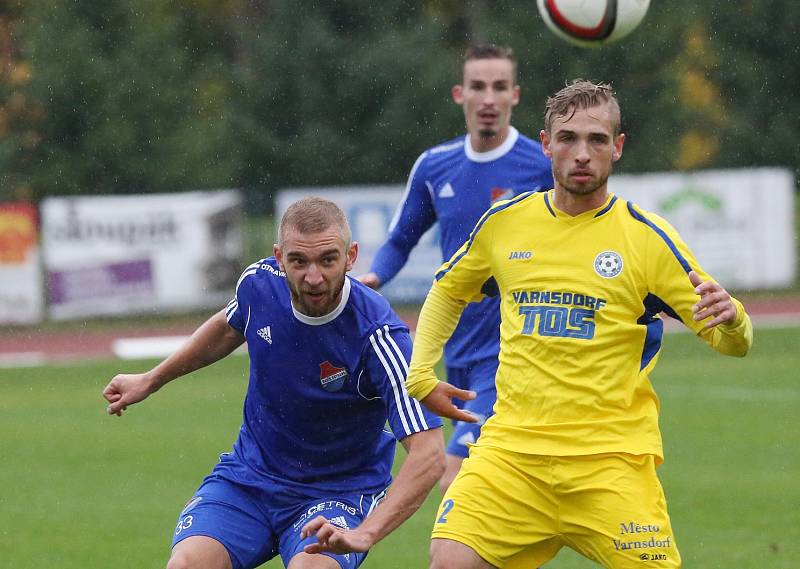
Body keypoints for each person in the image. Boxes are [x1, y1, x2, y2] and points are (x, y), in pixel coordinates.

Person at [404, 80, 753, 569]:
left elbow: (728, 340)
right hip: (511, 458)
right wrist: (420, 374)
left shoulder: (646, 238)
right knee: (449, 563)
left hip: (610, 466)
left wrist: (734, 320)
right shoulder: (506, 223)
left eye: (597, 139)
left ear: (618, 147)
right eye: (567, 139)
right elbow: (448, 288)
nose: (582, 153)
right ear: (546, 145)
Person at [102, 197, 451, 569]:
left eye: (327, 260)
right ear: (279, 257)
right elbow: (227, 327)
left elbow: (429, 454)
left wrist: (367, 532)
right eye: (298, 261)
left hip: (337, 493)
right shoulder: (259, 284)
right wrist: (152, 379)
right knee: (187, 565)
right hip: (249, 480)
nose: (313, 277)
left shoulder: (380, 336)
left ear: (350, 257)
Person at [359, 43, 553, 493]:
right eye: (478, 87)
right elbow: (401, 239)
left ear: (515, 96)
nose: (489, 98)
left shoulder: (542, 167)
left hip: (514, 349)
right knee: (497, 492)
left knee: (455, 477)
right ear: (459, 94)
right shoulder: (434, 166)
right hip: (455, 350)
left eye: (499, 87)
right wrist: (374, 277)